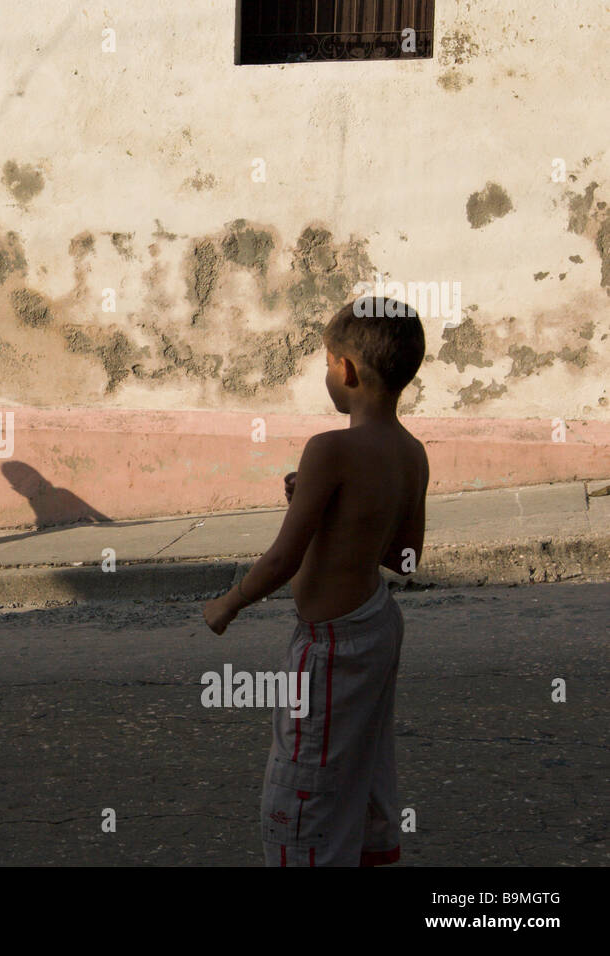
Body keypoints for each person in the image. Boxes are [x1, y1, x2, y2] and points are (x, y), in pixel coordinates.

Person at [203, 297, 429, 866]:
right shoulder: (412, 452)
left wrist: (228, 604)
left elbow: (283, 559)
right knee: (364, 762)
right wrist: (332, 509)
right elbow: (404, 560)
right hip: (377, 626)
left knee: (304, 783)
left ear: (346, 370)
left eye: (327, 362)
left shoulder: (330, 449)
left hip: (331, 645)